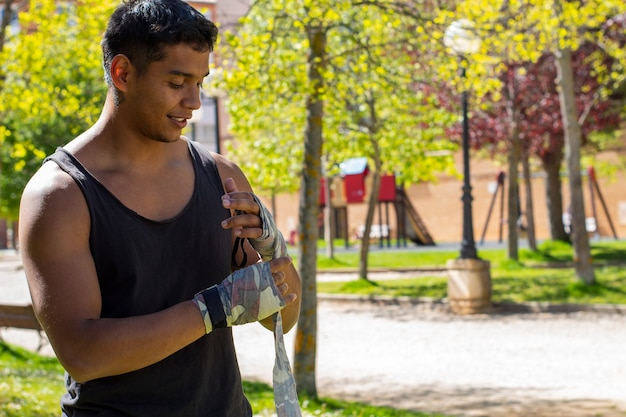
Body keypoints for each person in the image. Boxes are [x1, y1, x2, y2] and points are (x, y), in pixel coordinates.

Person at [18, 0, 301, 415]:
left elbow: (282, 314)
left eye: (200, 82)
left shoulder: (222, 177)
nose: (195, 102)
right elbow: (83, 355)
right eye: (177, 82)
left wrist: (275, 250)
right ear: (123, 73)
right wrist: (215, 307)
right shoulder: (59, 196)